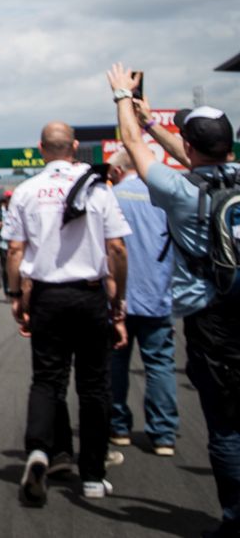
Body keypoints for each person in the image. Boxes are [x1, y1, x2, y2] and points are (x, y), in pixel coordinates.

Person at [108, 64, 240, 538]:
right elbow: (187, 151)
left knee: (225, 426)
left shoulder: (182, 192)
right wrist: (153, 123)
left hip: (210, 319)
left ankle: (233, 517)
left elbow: (136, 150)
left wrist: (125, 99)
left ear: (190, 148)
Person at [5, 121, 129, 506]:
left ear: (41, 149)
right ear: (75, 147)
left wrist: (16, 295)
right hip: (89, 294)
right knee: (94, 386)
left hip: (47, 296)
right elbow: (118, 251)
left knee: (47, 380)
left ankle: (41, 451)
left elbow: (14, 251)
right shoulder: (99, 191)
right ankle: (92, 475)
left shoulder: (25, 192)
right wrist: (118, 300)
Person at [106, 148, 178, 456]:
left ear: (119, 171)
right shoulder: (165, 198)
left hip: (117, 294)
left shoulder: (110, 197)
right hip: (157, 290)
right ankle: (163, 434)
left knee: (115, 362)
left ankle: (118, 427)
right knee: (160, 363)